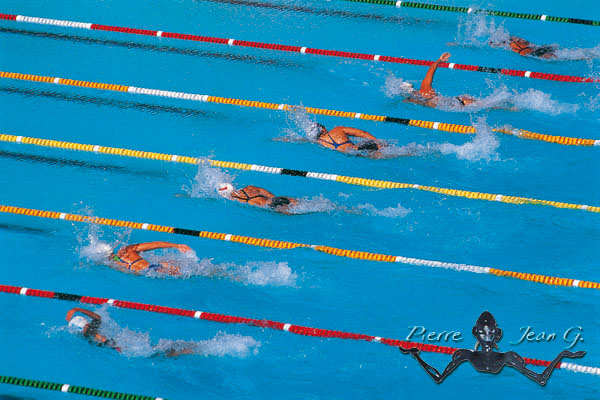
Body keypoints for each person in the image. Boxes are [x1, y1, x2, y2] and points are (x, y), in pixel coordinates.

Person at [66, 307, 194, 357]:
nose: (86, 328)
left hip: (124, 347)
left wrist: (78, 309)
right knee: (160, 352)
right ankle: (187, 349)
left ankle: (189, 350)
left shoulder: (90, 332)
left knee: (161, 353)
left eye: (86, 327)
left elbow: (97, 318)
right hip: (123, 347)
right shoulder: (88, 333)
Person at [403, 52, 476, 108]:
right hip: (457, 101)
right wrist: (439, 60)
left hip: (458, 103)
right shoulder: (425, 92)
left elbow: (430, 72)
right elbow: (430, 71)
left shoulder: (425, 91)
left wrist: (440, 60)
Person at [110, 241, 192, 275]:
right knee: (183, 271)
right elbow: (155, 244)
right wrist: (177, 246)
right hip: (153, 269)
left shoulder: (111, 263)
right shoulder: (127, 250)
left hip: (146, 273)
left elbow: (130, 272)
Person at [313, 124, 388, 158]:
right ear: (323, 130)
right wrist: (377, 142)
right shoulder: (337, 129)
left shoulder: (319, 143)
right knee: (384, 147)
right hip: (357, 149)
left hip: (350, 155)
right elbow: (362, 133)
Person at [216, 183, 297, 213]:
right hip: (275, 199)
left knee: (292, 214)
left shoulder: (235, 200)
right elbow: (264, 191)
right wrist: (273, 198)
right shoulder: (249, 188)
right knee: (297, 203)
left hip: (271, 207)